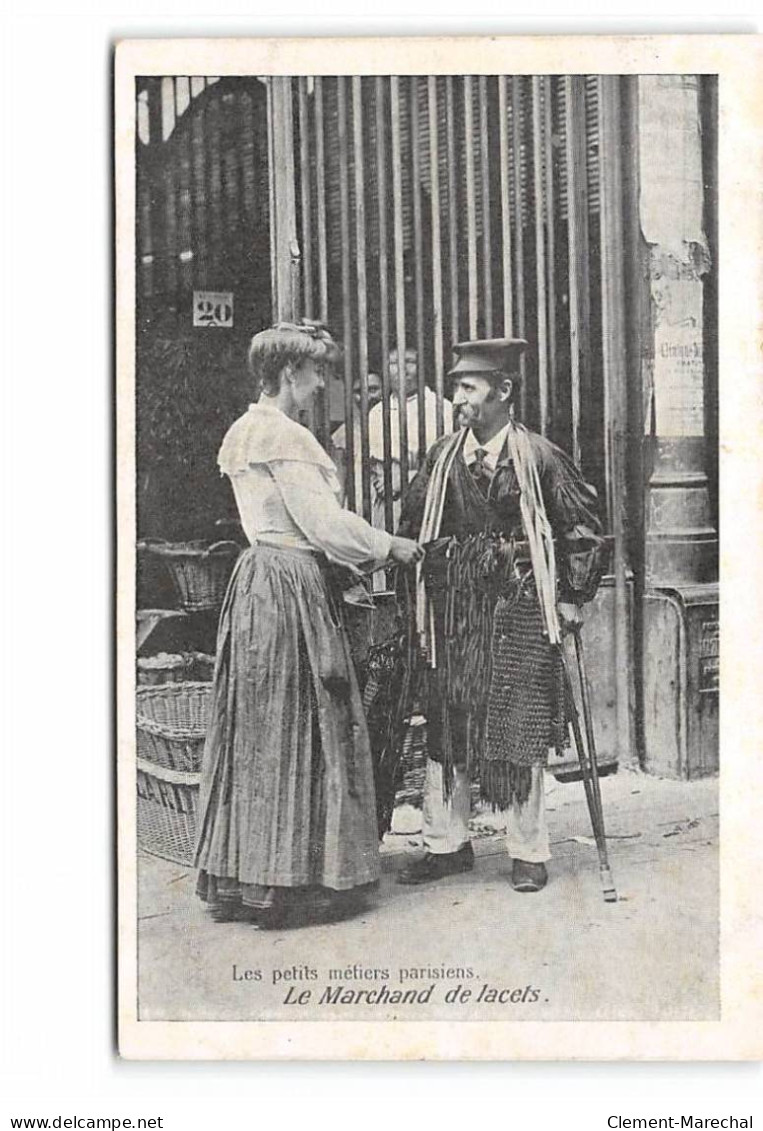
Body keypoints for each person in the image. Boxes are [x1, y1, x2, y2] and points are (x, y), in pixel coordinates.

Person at [194, 321, 423, 926]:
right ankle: (294, 881)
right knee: (308, 721)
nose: (323, 383)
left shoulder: (244, 431)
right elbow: (322, 525)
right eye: (317, 371)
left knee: (261, 728)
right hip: (290, 583)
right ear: (290, 373)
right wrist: (389, 543)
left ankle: (248, 874)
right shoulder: (283, 437)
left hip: (256, 583)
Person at [394, 338, 607, 893]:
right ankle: (446, 843)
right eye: (456, 387)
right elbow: (413, 528)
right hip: (454, 618)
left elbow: (582, 531)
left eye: (468, 388)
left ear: (503, 392)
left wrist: (569, 599)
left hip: (519, 611)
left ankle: (528, 850)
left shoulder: (537, 457)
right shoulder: (442, 459)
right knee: (447, 726)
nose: (457, 399)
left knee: (521, 726)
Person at [367, 347, 453, 528]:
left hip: (430, 500)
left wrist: (406, 478)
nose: (401, 369)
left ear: (423, 367)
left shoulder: (442, 408)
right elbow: (374, 465)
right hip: (388, 502)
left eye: (409, 362)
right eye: (393, 363)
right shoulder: (376, 412)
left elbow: (447, 462)